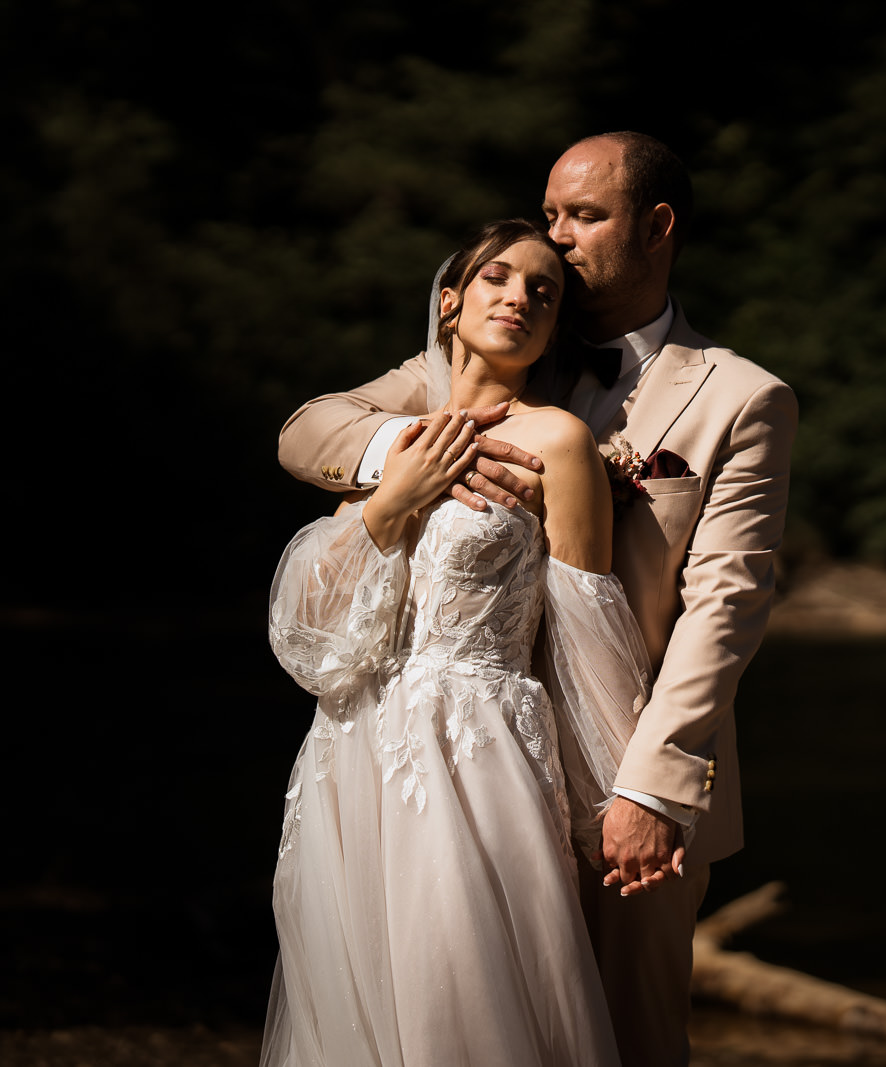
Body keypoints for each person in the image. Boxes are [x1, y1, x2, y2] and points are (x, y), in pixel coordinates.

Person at [278, 132, 798, 1067]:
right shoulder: (494, 347)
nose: (554, 243)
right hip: (452, 768)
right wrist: (417, 455)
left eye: (584, 217)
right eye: (549, 214)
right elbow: (306, 429)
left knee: (627, 1040)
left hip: (627, 770)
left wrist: (648, 788)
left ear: (659, 227)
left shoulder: (743, 398)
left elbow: (724, 610)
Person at [263, 218, 652, 1066]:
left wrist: (629, 796)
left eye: (543, 293)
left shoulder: (557, 442)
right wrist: (390, 499)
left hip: (474, 753)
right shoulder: (396, 436)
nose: (520, 297)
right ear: (450, 302)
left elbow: (589, 630)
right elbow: (314, 632)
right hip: (350, 750)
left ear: (553, 328)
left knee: (463, 1002)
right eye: (499, 279)